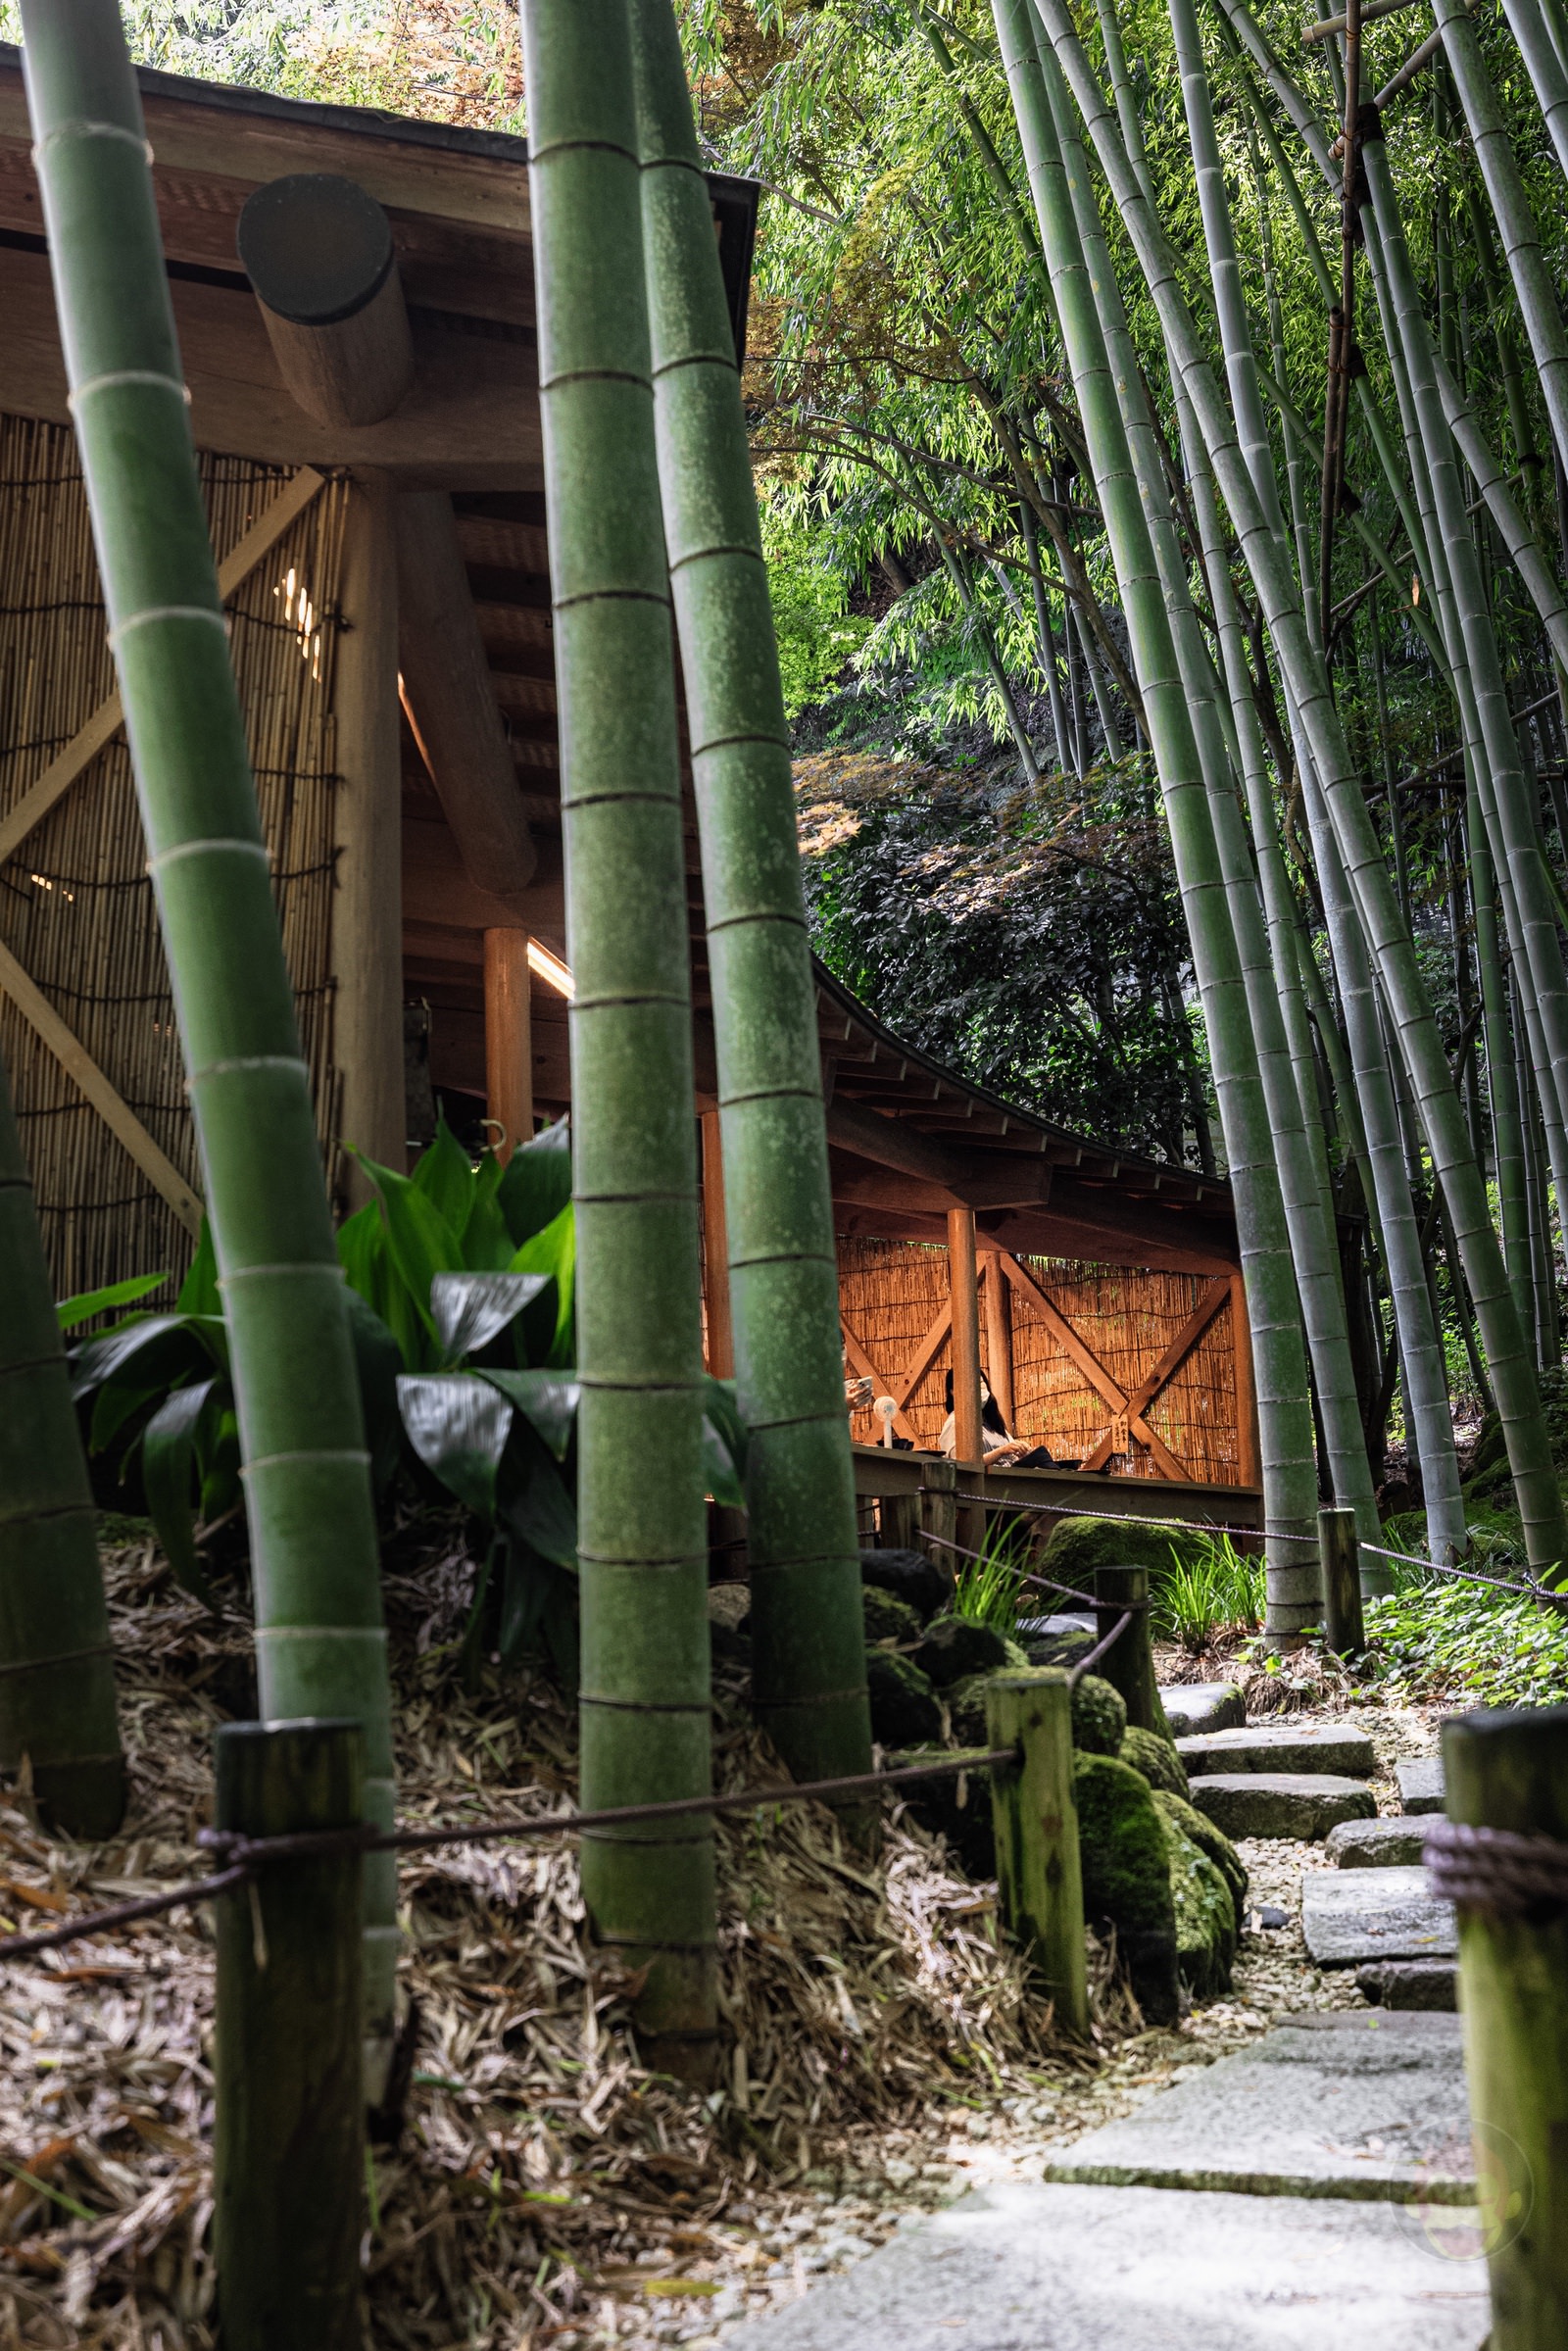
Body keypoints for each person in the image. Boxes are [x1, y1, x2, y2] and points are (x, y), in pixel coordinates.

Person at [937, 1370, 1050, 1465]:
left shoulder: (992, 1422)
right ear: (953, 1392)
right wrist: (1001, 1451)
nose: (977, 1387)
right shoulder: (955, 1424)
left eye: (980, 1382)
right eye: (969, 1384)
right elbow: (964, 1465)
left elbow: (1012, 1452)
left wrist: (1021, 1450)